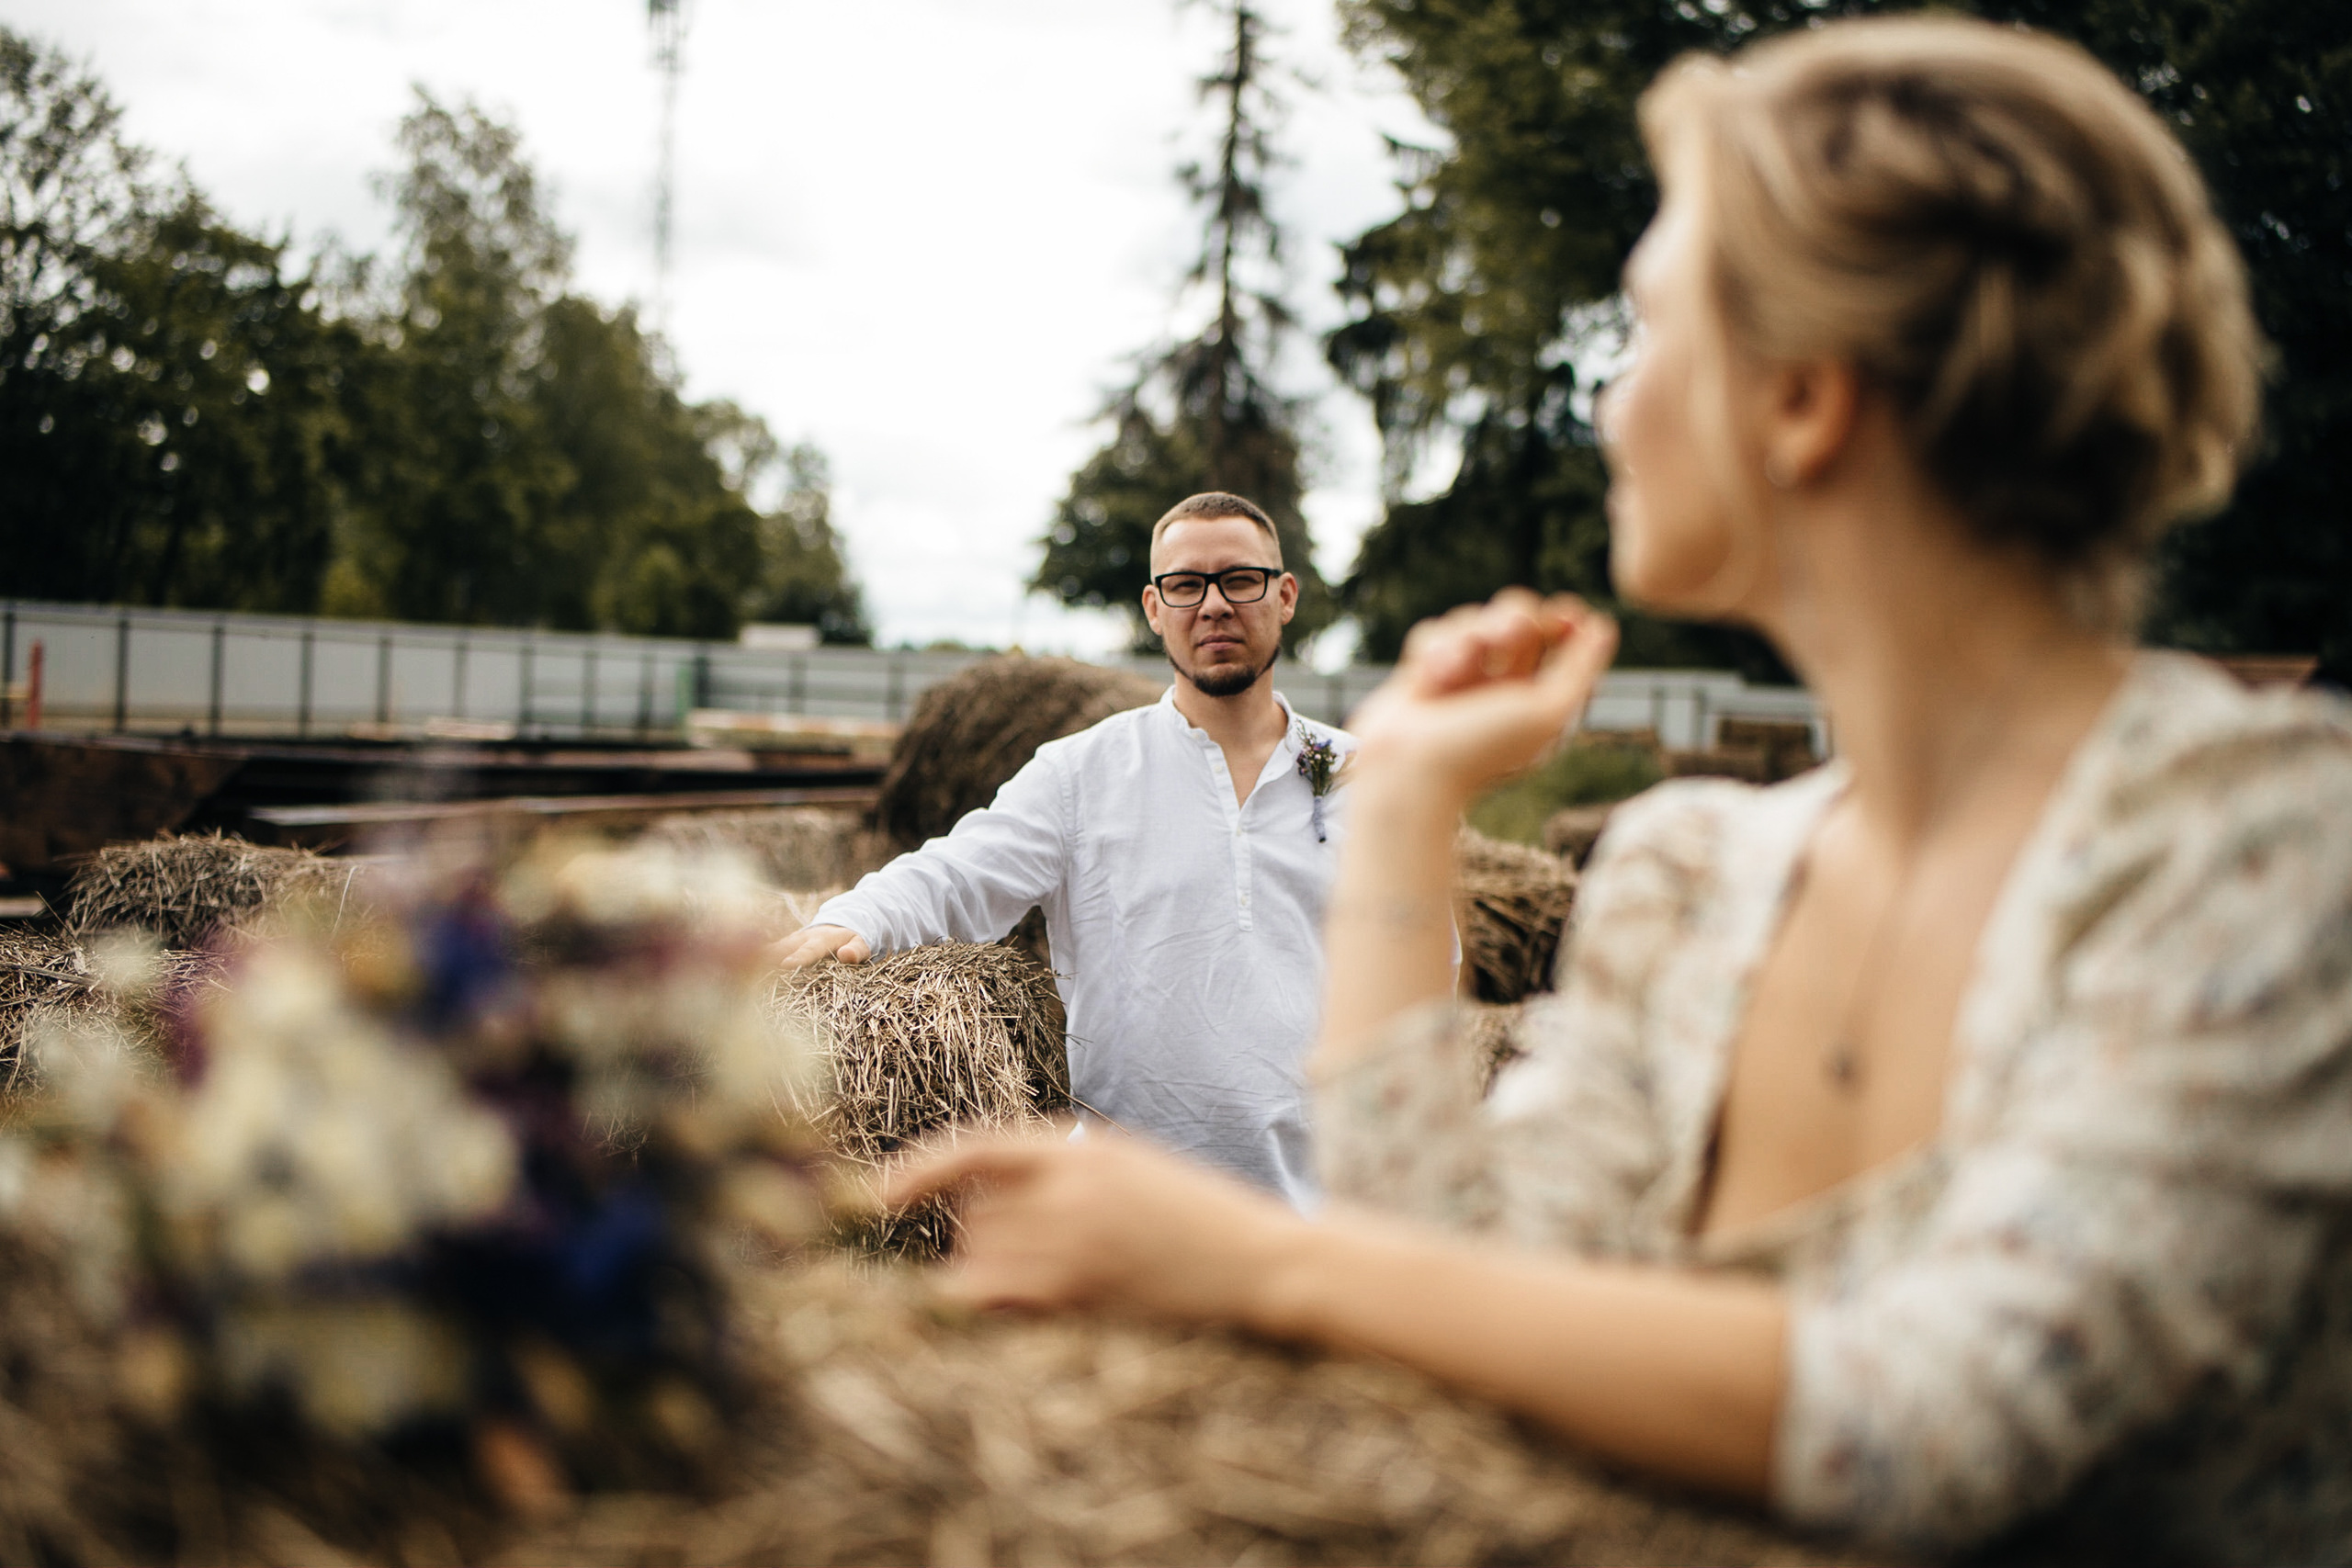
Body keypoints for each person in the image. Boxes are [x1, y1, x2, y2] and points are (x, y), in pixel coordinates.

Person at [883, 16, 2352, 1562]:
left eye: (1645, 333)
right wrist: (1401, 811)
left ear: (1803, 398)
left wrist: (1256, 1266)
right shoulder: (1687, 871)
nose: (1610, 404)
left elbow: (1938, 1424)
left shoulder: (2263, 846)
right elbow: (1449, 1284)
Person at [775, 492, 1351, 1207]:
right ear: (1153, 606)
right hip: (1124, 1212)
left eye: (1240, 579)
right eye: (1185, 584)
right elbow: (960, 871)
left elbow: (1423, 974)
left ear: (1285, 593)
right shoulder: (1083, 772)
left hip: (1321, 1214)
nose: (1213, 605)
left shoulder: (1357, 773)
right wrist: (861, 915)